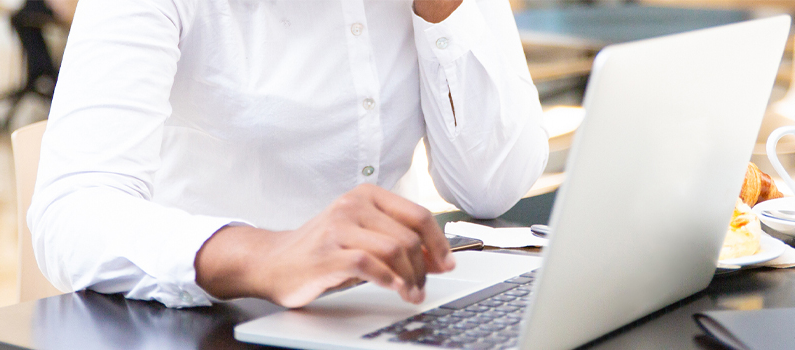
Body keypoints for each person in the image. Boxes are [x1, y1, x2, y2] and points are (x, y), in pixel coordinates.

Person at [28, 0, 548, 309]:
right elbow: (71, 211)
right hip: (203, 317)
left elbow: (490, 187)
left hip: (380, 308)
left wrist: (442, 8)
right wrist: (265, 255)